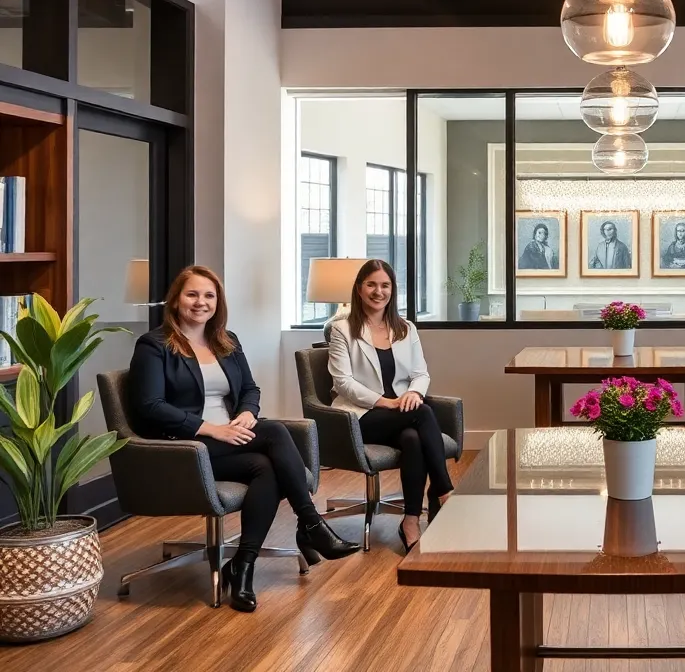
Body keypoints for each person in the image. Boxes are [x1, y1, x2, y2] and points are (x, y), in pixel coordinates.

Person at [129, 266, 358, 613]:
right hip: (185, 448)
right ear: (176, 300)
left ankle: (242, 566)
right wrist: (210, 428)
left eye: (209, 295)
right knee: (276, 432)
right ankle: (311, 524)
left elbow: (250, 389)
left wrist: (248, 412)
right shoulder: (154, 345)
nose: (200, 302)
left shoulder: (226, 340)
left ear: (218, 302)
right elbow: (150, 406)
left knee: (265, 466)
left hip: (232, 439)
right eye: (192, 294)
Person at [327, 259, 454, 553]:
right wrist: (387, 402)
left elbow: (420, 374)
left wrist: (413, 394)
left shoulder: (405, 328)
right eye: (371, 284)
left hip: (401, 415)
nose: (378, 291)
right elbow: (343, 382)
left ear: (392, 290)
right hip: (362, 416)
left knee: (412, 438)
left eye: (385, 285)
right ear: (359, 289)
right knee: (421, 415)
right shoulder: (342, 330)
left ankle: (410, 521)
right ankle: (443, 491)